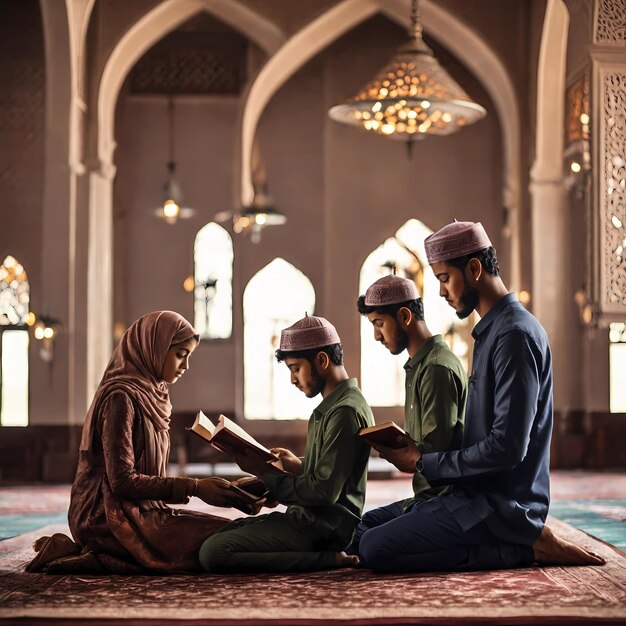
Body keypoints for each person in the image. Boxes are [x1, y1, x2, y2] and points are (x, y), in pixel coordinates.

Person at [358, 221, 605, 571]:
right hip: (469, 496)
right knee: (364, 531)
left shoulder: (514, 336)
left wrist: (422, 462)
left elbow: (506, 447)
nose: (441, 292)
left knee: (375, 548)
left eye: (444, 279)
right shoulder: (491, 332)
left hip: (500, 509)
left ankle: (524, 547)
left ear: (474, 269)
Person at [26, 311, 254, 574]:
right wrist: (194, 487)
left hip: (144, 511)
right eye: (181, 354)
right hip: (105, 518)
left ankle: (93, 554)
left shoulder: (153, 394)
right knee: (224, 541)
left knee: (232, 531)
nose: (186, 365)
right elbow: (122, 481)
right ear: (153, 348)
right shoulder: (120, 397)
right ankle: (95, 555)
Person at [198, 314, 375, 573]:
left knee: (213, 553)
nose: (293, 379)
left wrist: (263, 472)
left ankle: (329, 559)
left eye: (295, 369)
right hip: (310, 519)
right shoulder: (338, 405)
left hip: (325, 529)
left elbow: (323, 492)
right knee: (216, 533)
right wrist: (294, 465)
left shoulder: (344, 411)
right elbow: (335, 470)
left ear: (322, 361)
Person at [347, 274, 467, 555]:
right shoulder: (419, 365)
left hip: (447, 501)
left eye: (379, 324)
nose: (377, 336)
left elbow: (434, 458)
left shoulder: (437, 368)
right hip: (424, 497)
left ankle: (494, 550)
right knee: (354, 534)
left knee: (373, 547)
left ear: (404, 316)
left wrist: (404, 456)